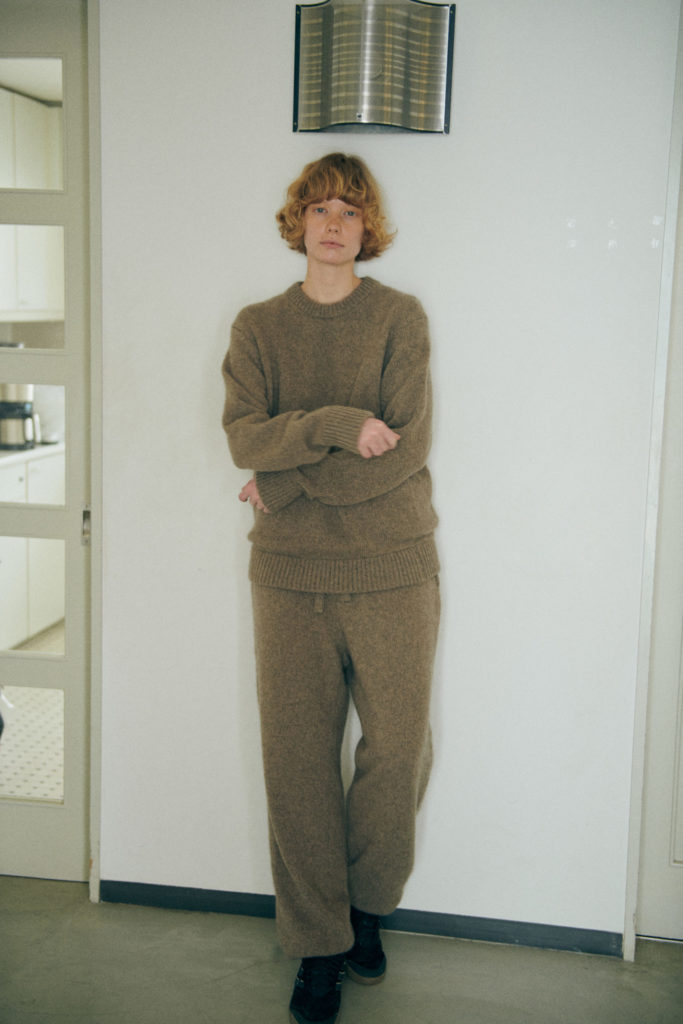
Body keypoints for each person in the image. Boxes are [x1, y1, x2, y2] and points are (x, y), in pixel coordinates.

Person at [222, 152, 440, 1024]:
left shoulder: (398, 318)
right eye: (318, 208)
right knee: (296, 760)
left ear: (368, 227)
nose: (334, 223)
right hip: (288, 578)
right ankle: (317, 946)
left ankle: (366, 907)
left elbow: (406, 448)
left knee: (397, 750)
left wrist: (283, 482)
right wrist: (336, 426)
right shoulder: (257, 327)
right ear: (297, 223)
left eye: (350, 209)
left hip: (393, 568)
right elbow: (243, 438)